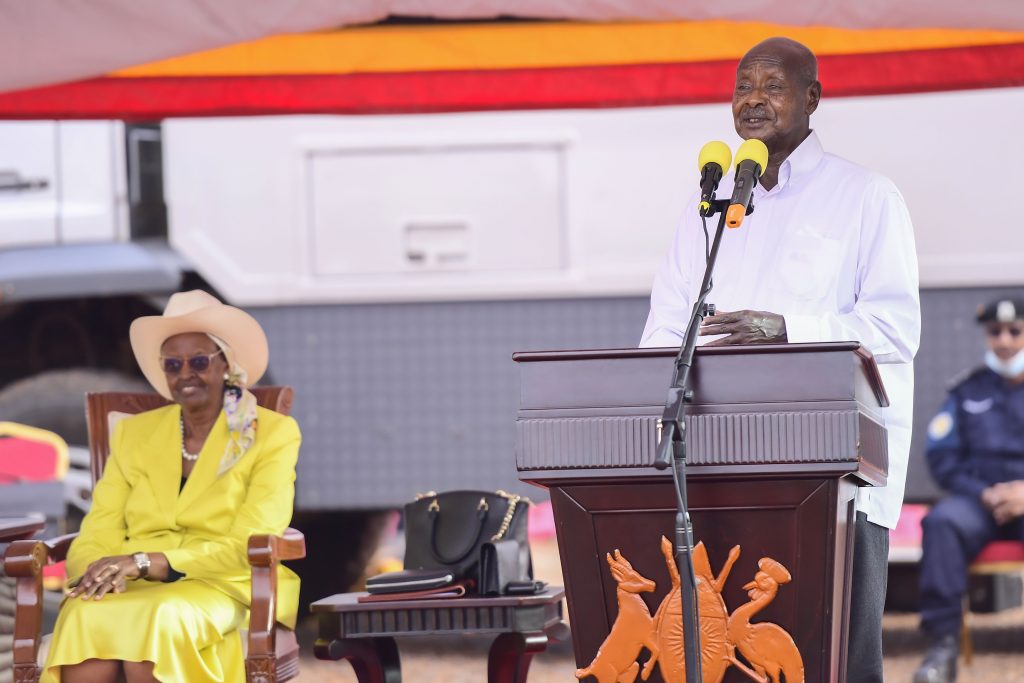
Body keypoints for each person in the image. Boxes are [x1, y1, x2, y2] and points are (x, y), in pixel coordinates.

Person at [640, 37, 920, 683]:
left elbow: (895, 328)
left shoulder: (866, 197)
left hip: (837, 473)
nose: (753, 100)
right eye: (743, 86)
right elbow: (663, 328)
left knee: (834, 660)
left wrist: (787, 329)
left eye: (772, 85)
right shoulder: (706, 208)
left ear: (812, 98)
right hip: (719, 462)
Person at [41, 290, 301, 683]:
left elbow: (252, 538)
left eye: (198, 361)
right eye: (172, 364)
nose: (184, 375)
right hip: (134, 582)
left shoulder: (270, 433)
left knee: (160, 619)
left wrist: (151, 561)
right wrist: (95, 570)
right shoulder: (135, 434)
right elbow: (100, 525)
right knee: (84, 613)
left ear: (228, 365)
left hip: (223, 582)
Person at [913, 297, 1024, 683]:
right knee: (941, 522)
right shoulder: (966, 391)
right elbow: (943, 459)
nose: (1005, 340)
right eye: (995, 332)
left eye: (1015, 330)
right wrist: (986, 494)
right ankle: (942, 650)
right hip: (980, 503)